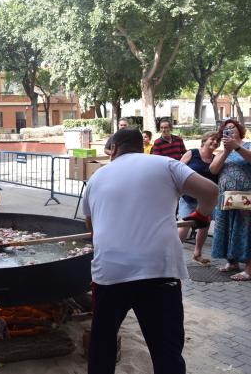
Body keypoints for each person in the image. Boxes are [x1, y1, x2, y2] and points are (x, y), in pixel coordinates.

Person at [83, 129, 218, 374]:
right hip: (159, 269)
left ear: (113, 149)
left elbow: (93, 231)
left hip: (111, 272)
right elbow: (210, 192)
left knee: (102, 346)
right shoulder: (166, 164)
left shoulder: (96, 178)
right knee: (166, 351)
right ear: (140, 145)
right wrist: (201, 215)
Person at [209, 119, 251, 281]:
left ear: (240, 130)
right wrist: (227, 151)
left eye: (232, 128)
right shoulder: (222, 152)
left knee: (246, 231)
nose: (229, 131)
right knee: (226, 228)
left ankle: (248, 269)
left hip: (245, 198)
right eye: (225, 130)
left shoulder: (247, 146)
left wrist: (237, 148)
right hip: (225, 198)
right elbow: (213, 170)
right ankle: (232, 262)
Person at [177, 131, 220, 265]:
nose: (215, 142)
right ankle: (173, 254)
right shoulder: (192, 153)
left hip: (206, 201)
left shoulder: (215, 159)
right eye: (212, 139)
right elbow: (177, 169)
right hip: (188, 198)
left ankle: (197, 253)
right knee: (183, 226)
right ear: (204, 140)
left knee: (204, 226)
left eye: (217, 141)